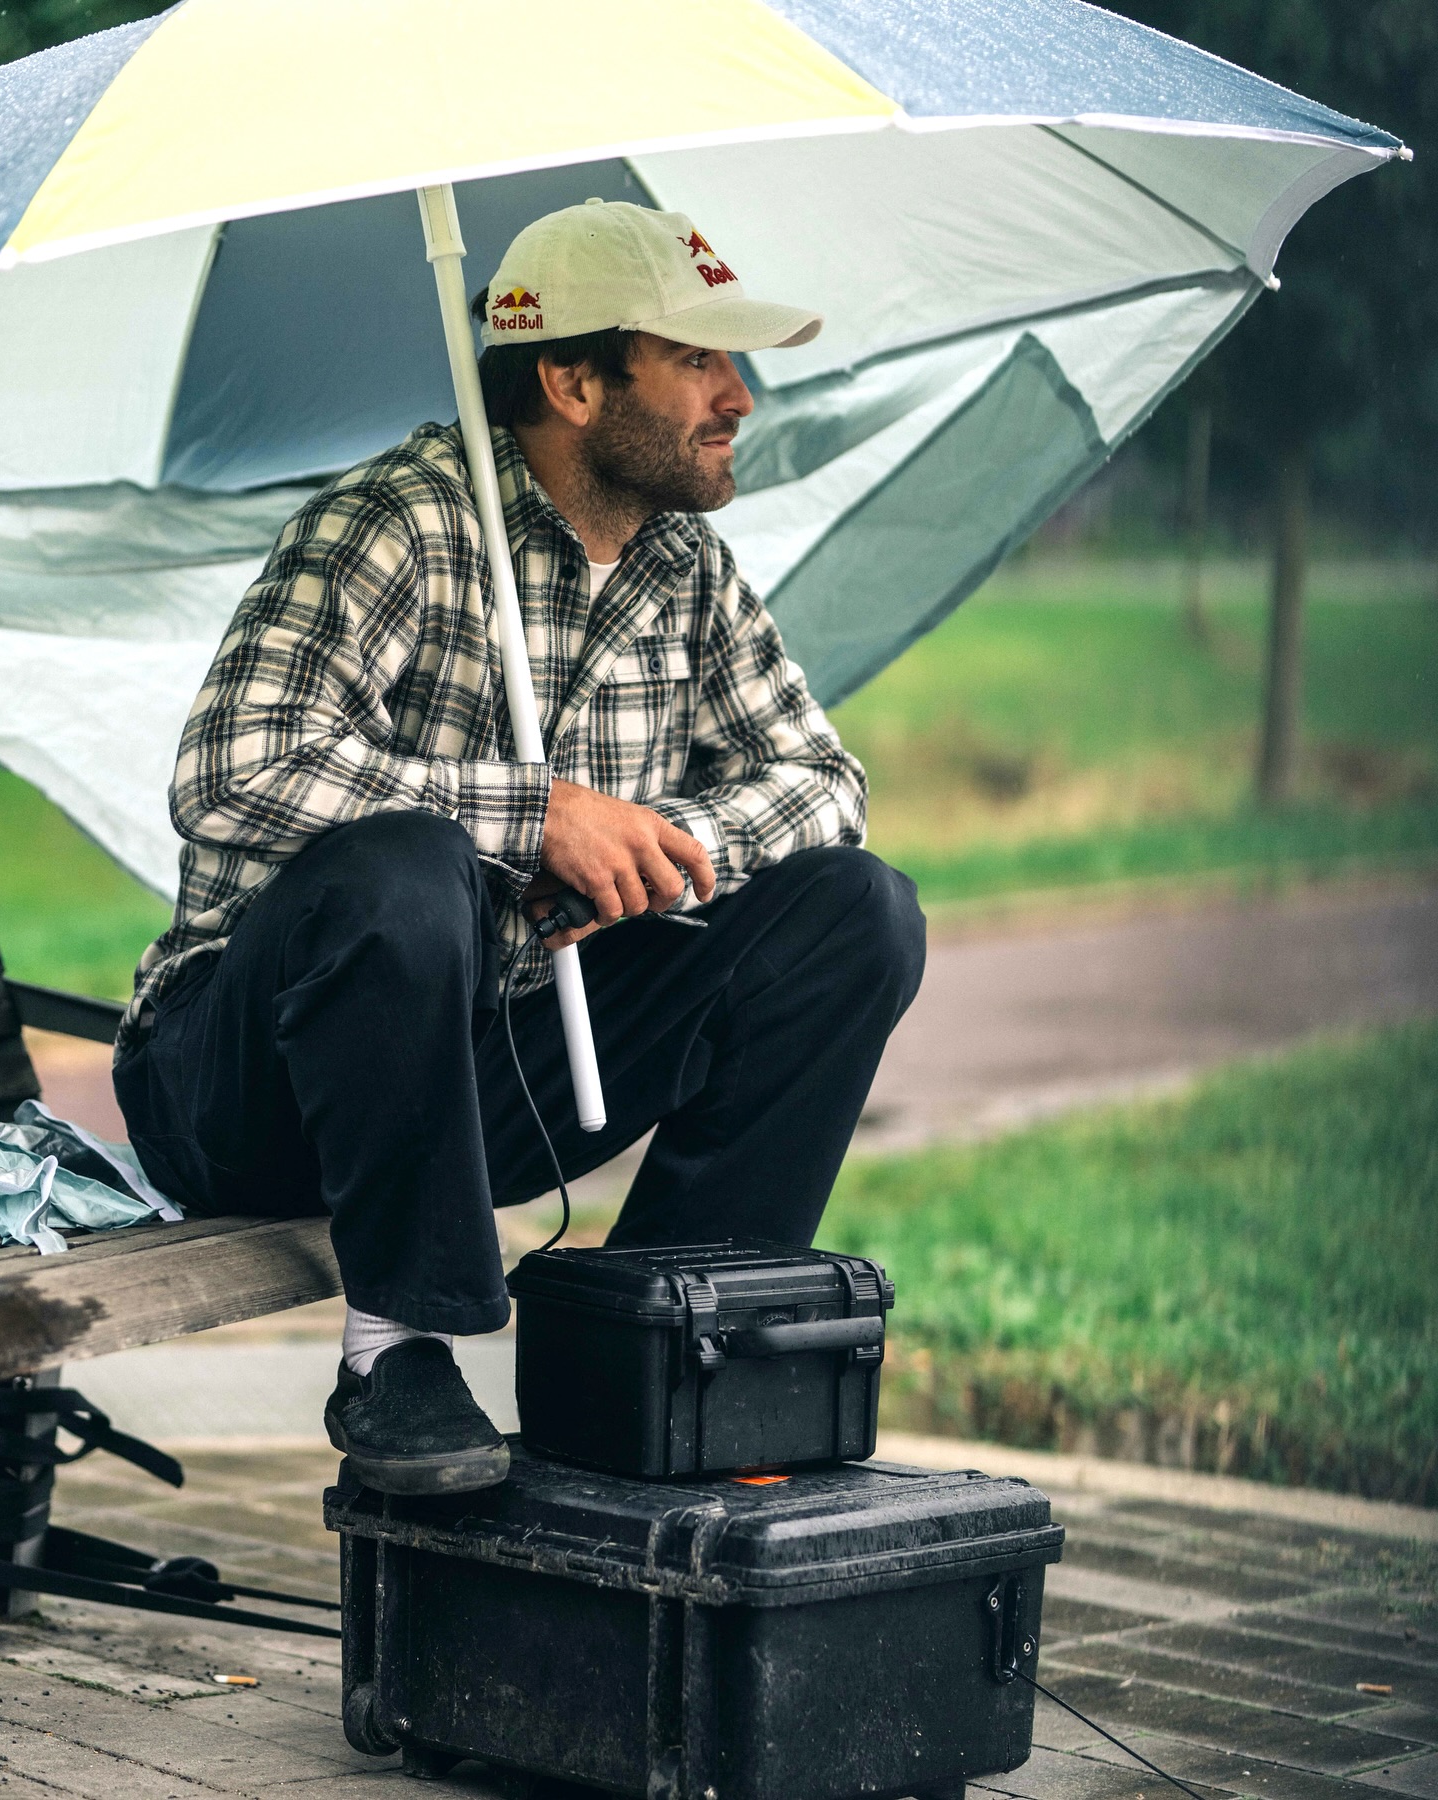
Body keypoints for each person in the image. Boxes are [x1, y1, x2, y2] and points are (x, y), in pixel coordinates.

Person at [113, 200, 926, 1495]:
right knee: (407, 866)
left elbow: (824, 781)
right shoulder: (399, 522)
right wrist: (538, 814)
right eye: (701, 360)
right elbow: (228, 774)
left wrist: (660, 850)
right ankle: (398, 1354)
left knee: (857, 913)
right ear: (573, 380)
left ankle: (661, 1349)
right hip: (242, 1083)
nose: (739, 396)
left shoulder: (686, 569)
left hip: (484, 1061)